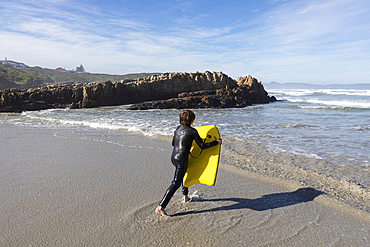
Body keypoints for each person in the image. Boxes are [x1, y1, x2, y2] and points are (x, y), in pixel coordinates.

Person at [155, 109, 222, 216]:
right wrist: (216, 142)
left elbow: (173, 143)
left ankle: (185, 197)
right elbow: (202, 146)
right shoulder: (192, 131)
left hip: (173, 157)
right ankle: (161, 207)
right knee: (176, 183)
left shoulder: (178, 129)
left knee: (185, 173)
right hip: (182, 159)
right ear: (192, 120)